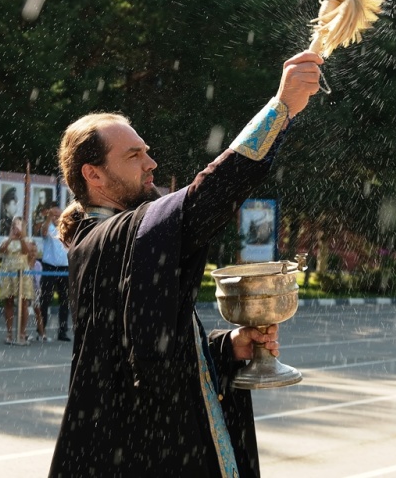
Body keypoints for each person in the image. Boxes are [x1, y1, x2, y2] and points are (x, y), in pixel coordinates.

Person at [48, 51, 323, 477]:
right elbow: (206, 198)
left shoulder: (121, 240)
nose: (151, 163)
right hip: (135, 457)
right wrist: (281, 108)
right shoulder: (105, 240)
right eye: (134, 155)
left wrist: (227, 348)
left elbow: (151, 350)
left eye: (147, 151)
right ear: (93, 175)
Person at [0, 216, 32, 345]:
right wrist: (11, 238)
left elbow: (26, 252)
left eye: (19, 226)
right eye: (14, 225)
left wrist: (21, 237)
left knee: (23, 303)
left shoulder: (27, 240)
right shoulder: (6, 239)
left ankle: (22, 332)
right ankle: (9, 332)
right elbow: (1, 250)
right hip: (8, 273)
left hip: (22, 274)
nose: (16, 228)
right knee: (9, 302)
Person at [39, 206, 70, 341]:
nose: (56, 217)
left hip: (65, 268)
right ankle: (41, 330)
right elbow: (44, 232)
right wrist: (48, 218)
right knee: (45, 299)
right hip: (50, 267)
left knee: (65, 301)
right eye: (53, 215)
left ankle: (62, 332)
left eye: (58, 215)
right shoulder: (48, 227)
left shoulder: (66, 228)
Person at [27, 241, 47, 342]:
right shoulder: (25, 263)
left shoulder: (38, 264)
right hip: (25, 289)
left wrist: (39, 292)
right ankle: (23, 333)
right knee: (24, 310)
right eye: (31, 251)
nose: (33, 253)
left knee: (38, 311)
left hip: (35, 289)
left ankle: (42, 333)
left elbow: (38, 280)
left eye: (35, 251)